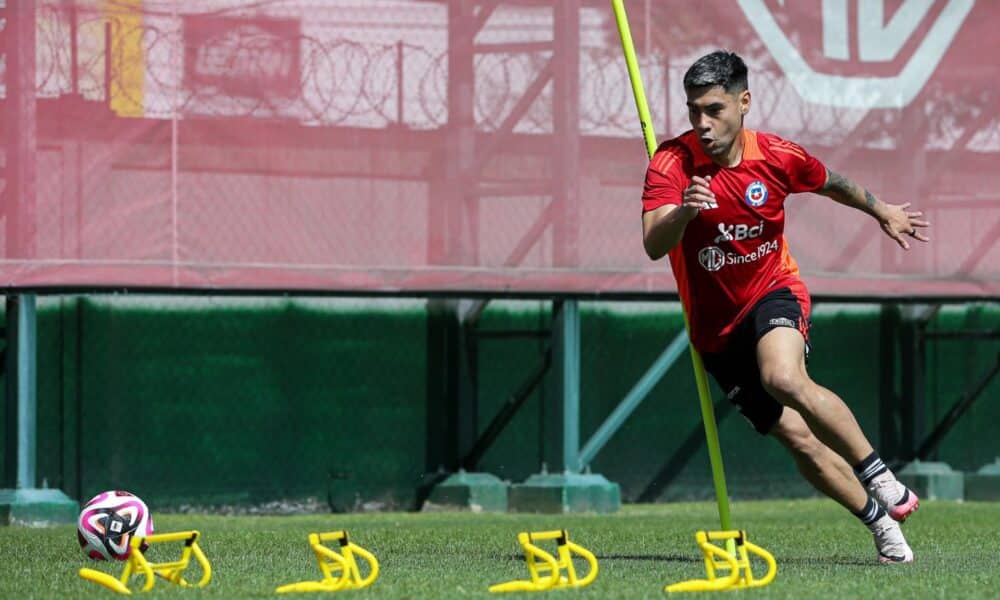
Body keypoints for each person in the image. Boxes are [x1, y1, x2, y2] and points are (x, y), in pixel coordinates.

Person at [640, 50, 929, 564]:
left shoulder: (776, 156)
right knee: (798, 439)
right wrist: (684, 210)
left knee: (783, 376)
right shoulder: (671, 162)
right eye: (693, 111)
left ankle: (878, 473)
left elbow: (830, 182)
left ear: (744, 102)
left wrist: (881, 209)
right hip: (716, 333)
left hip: (773, 290)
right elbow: (653, 243)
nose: (702, 124)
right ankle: (880, 523)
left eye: (714, 110)